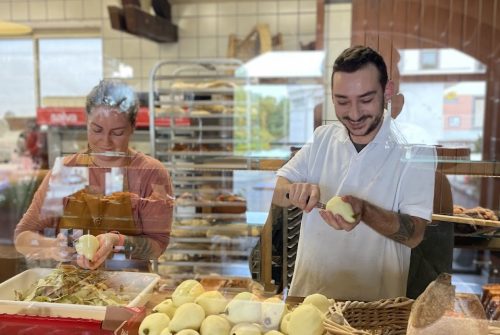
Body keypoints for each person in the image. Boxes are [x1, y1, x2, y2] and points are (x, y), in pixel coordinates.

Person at [272, 45, 436, 301]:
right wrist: (294, 190)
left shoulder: (415, 152)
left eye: (366, 99)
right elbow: (278, 190)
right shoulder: (322, 138)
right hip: (309, 300)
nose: (355, 113)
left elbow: (414, 234)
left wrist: (364, 211)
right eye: (342, 101)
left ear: (387, 91)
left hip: (374, 310)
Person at [14, 79, 174, 270]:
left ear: (132, 127)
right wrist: (52, 248)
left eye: (117, 132)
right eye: (96, 130)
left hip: (130, 286)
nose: (105, 142)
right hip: (71, 287)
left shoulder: (150, 173)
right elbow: (23, 236)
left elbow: (158, 245)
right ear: (86, 123)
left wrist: (117, 241)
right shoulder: (68, 171)